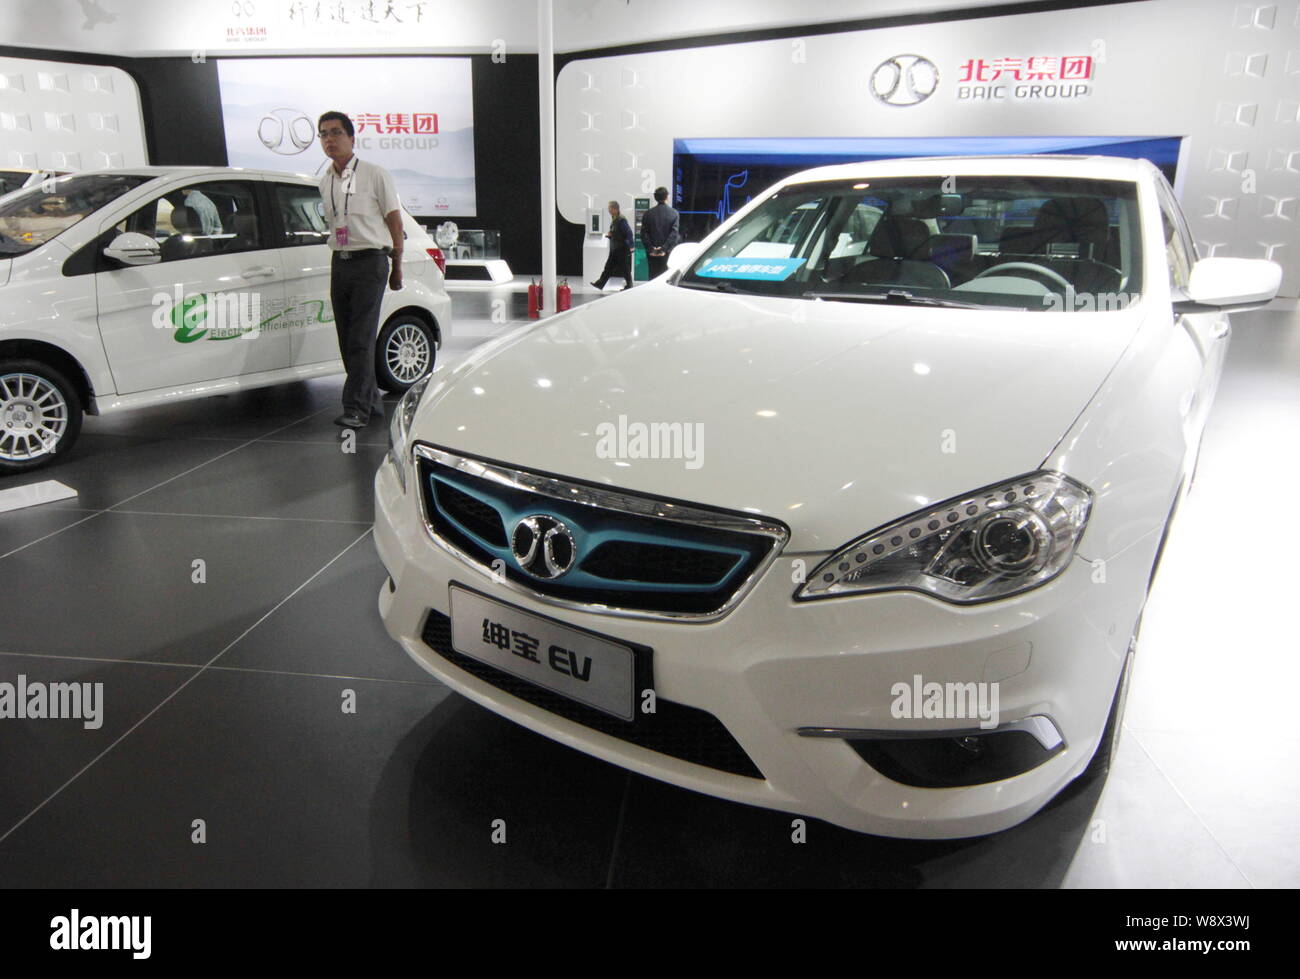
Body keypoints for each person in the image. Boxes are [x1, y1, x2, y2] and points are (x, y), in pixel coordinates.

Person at [317, 110, 404, 429]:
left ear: (352, 138)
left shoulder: (374, 173)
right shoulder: (325, 180)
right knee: (346, 336)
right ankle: (370, 403)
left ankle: (355, 409)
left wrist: (398, 264)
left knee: (361, 338)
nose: (330, 139)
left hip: (371, 261)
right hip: (340, 261)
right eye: (324, 134)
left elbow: (394, 220)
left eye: (336, 132)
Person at [591, 200, 633, 291]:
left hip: (621, 248)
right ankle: (600, 283)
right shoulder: (615, 219)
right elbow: (618, 233)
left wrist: (631, 246)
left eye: (609, 208)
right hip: (616, 248)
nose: (608, 210)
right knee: (609, 267)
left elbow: (629, 233)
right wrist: (611, 235)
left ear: (615, 209)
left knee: (624, 268)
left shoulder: (621, 220)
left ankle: (629, 285)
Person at [640, 186, 680, 280]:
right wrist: (663, 249)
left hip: (652, 254)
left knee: (653, 277)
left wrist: (651, 249)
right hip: (667, 253)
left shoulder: (648, 214)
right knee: (666, 278)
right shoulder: (674, 213)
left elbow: (643, 234)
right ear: (667, 197)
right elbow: (674, 234)